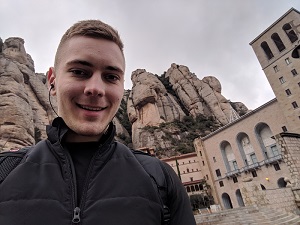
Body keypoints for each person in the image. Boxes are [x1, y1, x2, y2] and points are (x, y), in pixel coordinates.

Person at [0, 20, 196, 225]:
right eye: (79, 72)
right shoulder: (5, 171)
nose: (95, 89)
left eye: (110, 77)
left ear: (122, 88)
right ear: (52, 81)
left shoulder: (159, 178)